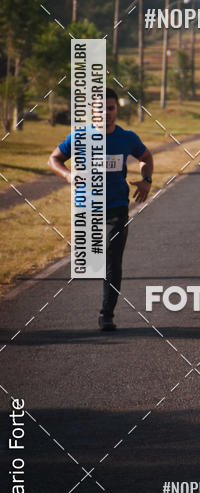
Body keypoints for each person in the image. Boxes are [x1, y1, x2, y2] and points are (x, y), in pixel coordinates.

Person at [48, 88, 153, 331]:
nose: (105, 113)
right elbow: (54, 159)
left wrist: (146, 180)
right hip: (87, 209)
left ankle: (107, 314)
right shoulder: (79, 136)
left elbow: (146, 156)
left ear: (116, 110)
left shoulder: (127, 138)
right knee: (92, 259)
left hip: (117, 208)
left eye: (110, 108)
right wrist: (68, 175)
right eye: (100, 108)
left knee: (113, 261)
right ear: (91, 111)